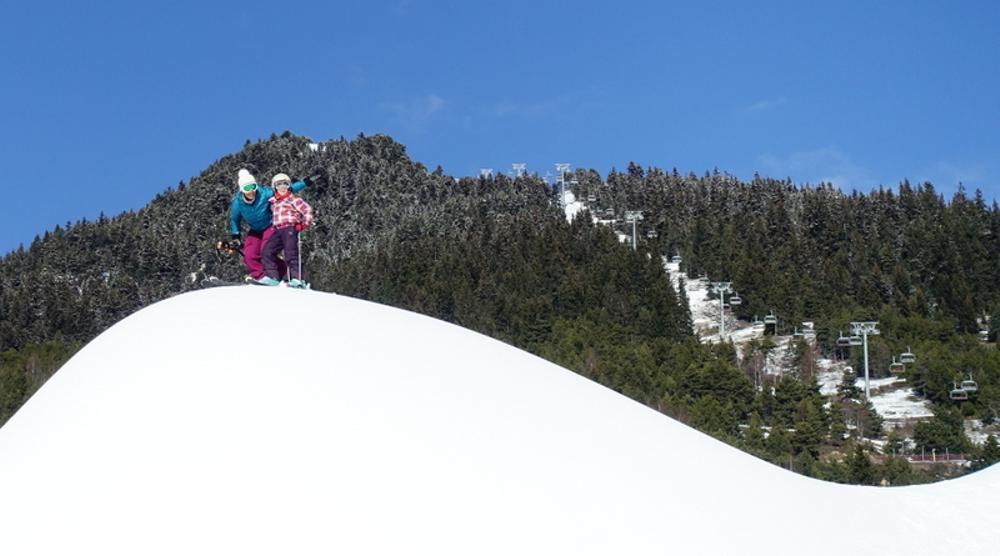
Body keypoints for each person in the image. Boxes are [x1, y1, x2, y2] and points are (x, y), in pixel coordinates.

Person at [228, 169, 309, 281]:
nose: (251, 191)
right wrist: (235, 236)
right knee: (249, 255)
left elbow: (285, 190)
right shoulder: (237, 203)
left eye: (253, 187)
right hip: (255, 230)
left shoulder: (264, 193)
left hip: (270, 226)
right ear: (242, 190)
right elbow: (234, 220)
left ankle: (282, 273)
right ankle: (261, 277)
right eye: (247, 188)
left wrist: (304, 183)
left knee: (265, 251)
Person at [259, 173, 314, 288]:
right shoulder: (273, 202)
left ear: (289, 186)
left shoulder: (293, 199)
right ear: (274, 188)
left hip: (290, 228)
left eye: (285, 184)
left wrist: (304, 224)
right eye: (279, 185)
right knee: (267, 252)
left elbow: (307, 210)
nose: (282, 187)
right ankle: (272, 277)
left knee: (290, 254)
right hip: (277, 230)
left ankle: (298, 279)